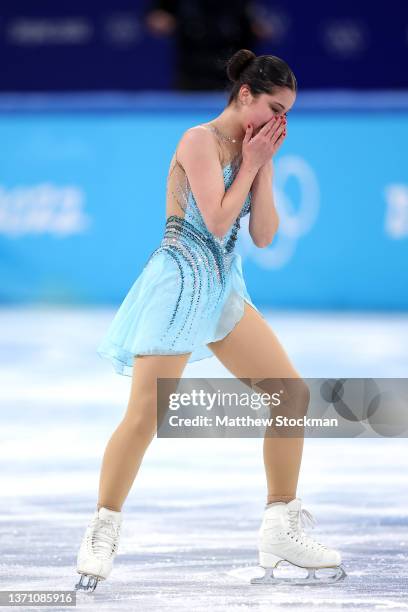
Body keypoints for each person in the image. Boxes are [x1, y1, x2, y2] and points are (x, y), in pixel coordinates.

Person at [75, 49, 346, 591]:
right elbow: (218, 216)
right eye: (273, 107)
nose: (279, 123)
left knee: (289, 395)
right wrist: (250, 163)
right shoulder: (198, 140)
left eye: (287, 113)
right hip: (178, 285)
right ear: (245, 94)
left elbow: (264, 235)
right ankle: (101, 529)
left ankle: (280, 522)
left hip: (222, 287)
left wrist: (263, 164)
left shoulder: (256, 150)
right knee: (145, 417)